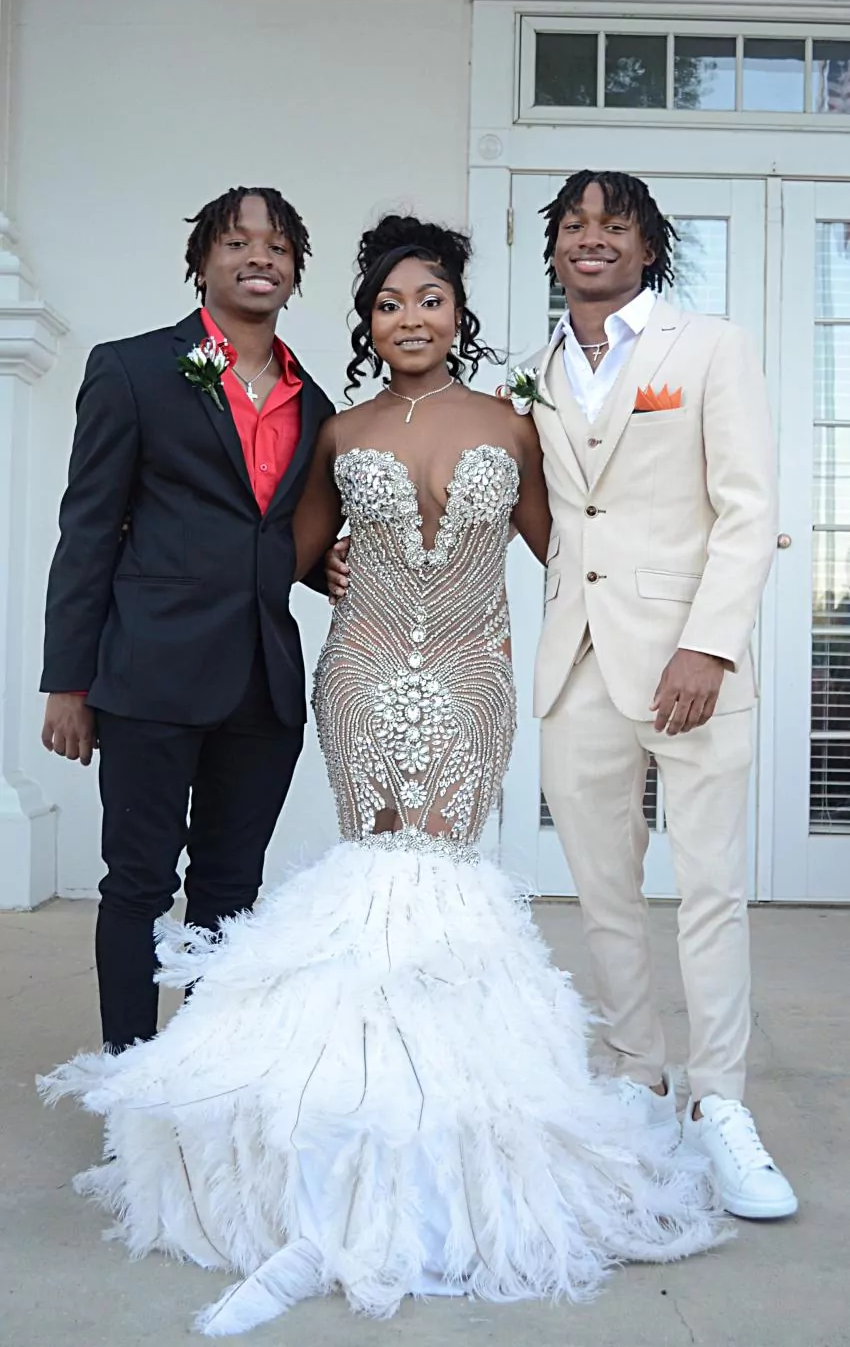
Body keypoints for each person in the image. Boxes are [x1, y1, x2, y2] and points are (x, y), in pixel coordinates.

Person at [40, 216, 725, 1338]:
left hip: (469, 673)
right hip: (359, 671)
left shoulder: (513, 422)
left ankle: (443, 1113)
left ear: (459, 314)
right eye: (390, 303)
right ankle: (333, 1100)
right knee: (363, 882)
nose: (411, 318)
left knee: (435, 887)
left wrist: (665, 620)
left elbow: (571, 552)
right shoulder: (338, 426)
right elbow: (291, 552)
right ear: (366, 321)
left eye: (431, 300)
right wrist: (318, 573)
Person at [527, 170, 796, 1219]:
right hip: (579, 661)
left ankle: (718, 1101)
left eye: (614, 224)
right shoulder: (535, 369)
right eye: (574, 224)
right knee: (602, 893)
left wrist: (709, 646)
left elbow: (747, 508)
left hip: (690, 662)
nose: (591, 238)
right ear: (555, 246)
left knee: (711, 891)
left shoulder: (710, 348)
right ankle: (637, 1080)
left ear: (648, 247)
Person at [39, 186, 334, 1053]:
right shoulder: (131, 370)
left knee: (231, 891)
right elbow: (88, 531)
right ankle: (129, 1076)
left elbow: (282, 532)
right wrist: (69, 681)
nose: (259, 257)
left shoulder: (313, 402)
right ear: (202, 262)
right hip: (150, 674)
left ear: (295, 271)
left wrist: (328, 567)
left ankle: (202, 1070)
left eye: (278, 246)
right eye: (237, 242)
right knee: (137, 885)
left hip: (262, 683)